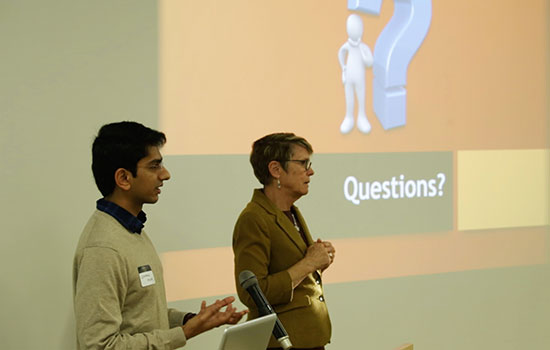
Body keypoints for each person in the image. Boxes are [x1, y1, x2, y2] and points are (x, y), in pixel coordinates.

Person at [73, 121, 247, 350]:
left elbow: (140, 315)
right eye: (154, 166)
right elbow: (99, 345)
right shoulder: (103, 248)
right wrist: (184, 333)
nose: (165, 174)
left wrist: (191, 321)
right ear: (124, 178)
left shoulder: (131, 231)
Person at [232, 132, 336, 350]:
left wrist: (318, 264)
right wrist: (309, 263)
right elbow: (252, 293)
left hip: (307, 339)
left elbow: (292, 273)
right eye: (303, 163)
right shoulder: (254, 218)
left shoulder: (290, 211)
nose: (311, 171)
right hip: (279, 342)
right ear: (276, 170)